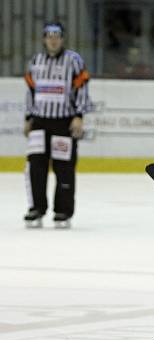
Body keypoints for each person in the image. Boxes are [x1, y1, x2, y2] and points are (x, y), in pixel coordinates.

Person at [22, 22, 91, 229]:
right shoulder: (36, 61)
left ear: (62, 38)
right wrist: (28, 117)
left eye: (57, 36)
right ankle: (36, 208)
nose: (53, 39)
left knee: (64, 168)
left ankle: (63, 211)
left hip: (64, 121)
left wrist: (79, 115)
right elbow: (31, 91)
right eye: (49, 36)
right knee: (36, 167)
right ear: (44, 39)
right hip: (40, 121)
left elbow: (82, 89)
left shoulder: (74, 60)